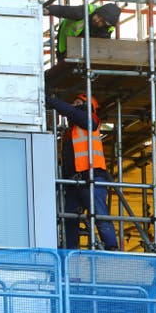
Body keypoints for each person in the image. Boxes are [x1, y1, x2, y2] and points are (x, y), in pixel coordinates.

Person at [46, 93, 119, 251]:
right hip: (74, 181)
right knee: (68, 216)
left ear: (87, 106)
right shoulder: (70, 132)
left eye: (78, 102)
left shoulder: (91, 120)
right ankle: (69, 247)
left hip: (92, 176)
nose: (74, 105)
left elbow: (72, 112)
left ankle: (111, 246)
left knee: (98, 213)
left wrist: (52, 101)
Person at [44, 3, 121, 60]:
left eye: (102, 21)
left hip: (83, 45)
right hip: (66, 40)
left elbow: (102, 49)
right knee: (63, 64)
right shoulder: (86, 10)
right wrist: (49, 10)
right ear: (98, 11)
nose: (97, 20)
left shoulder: (107, 30)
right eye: (98, 16)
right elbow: (66, 10)